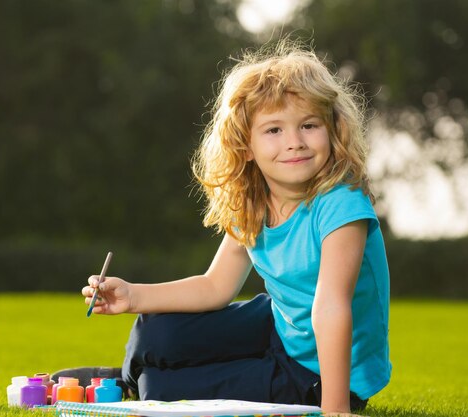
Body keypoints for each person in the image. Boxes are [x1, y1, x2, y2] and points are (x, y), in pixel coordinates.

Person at [81, 40, 391, 416]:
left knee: (161, 389)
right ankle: (124, 380)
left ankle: (140, 386)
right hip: (279, 324)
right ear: (246, 146)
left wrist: (336, 408)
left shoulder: (341, 205)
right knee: (152, 333)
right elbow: (215, 287)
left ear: (332, 129)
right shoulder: (254, 202)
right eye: (274, 130)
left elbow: (330, 306)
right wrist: (132, 295)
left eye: (309, 125)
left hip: (320, 373)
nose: (294, 142)